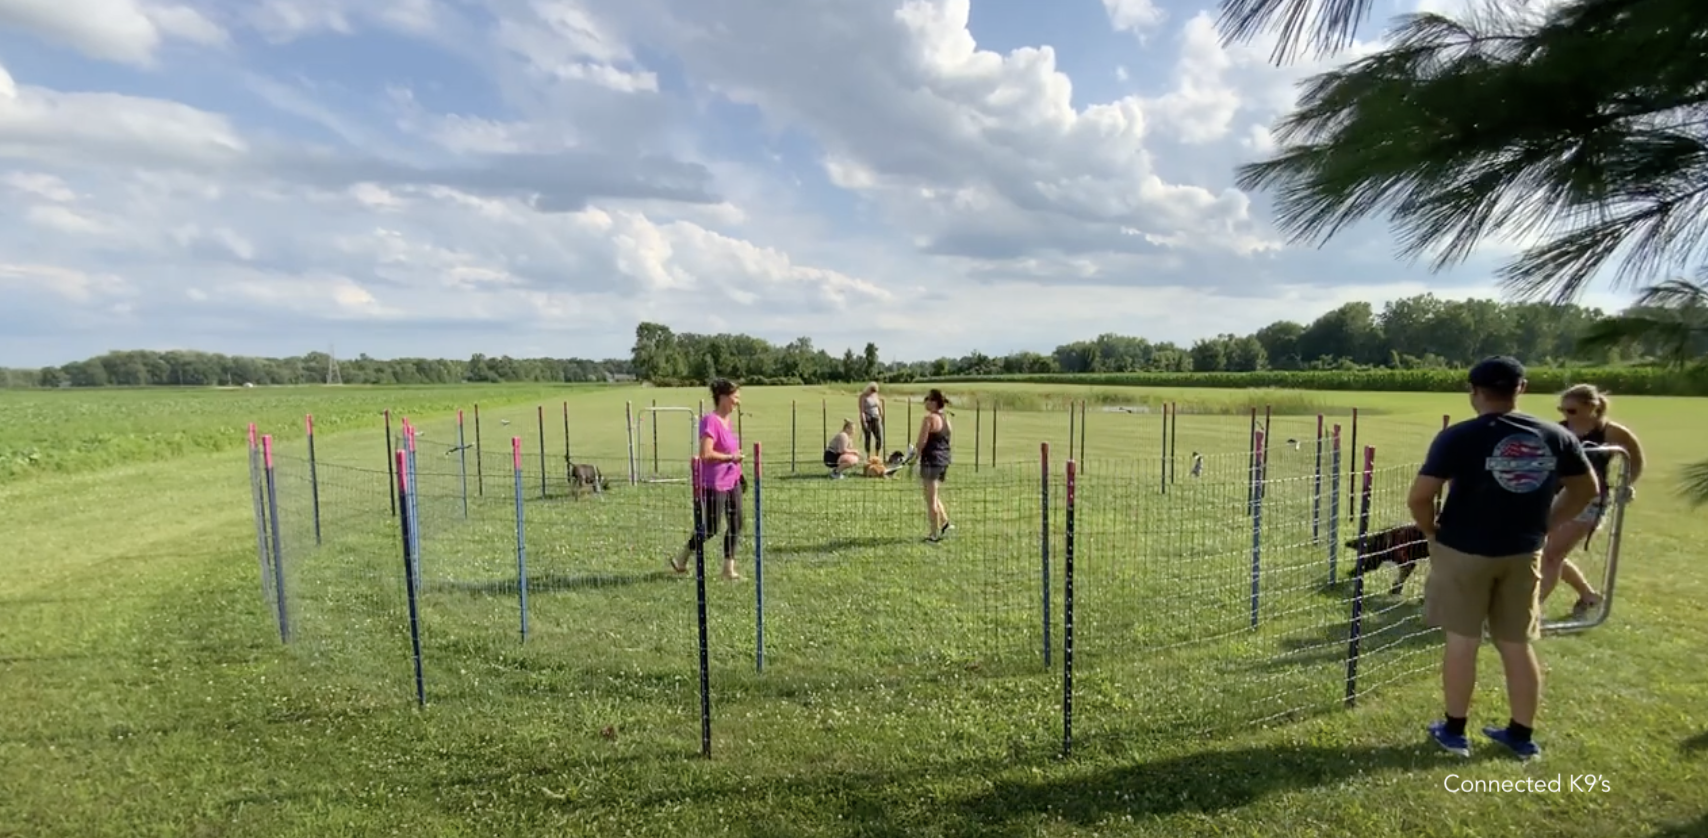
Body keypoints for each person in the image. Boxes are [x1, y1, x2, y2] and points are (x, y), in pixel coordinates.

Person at [1407, 356, 1598, 761]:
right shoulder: (1555, 436)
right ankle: (1521, 735)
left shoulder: (1457, 437)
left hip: (1463, 550)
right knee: (1517, 643)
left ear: (1474, 391)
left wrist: (1430, 530)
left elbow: (1421, 496)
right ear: (1521, 388)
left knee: (1463, 640)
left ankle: (1454, 732)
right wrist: (1546, 523)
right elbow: (1586, 490)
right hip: (1522, 552)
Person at [1540, 383, 1645, 618]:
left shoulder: (1611, 432)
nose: (1566, 415)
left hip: (1590, 500)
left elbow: (1635, 458)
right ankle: (1589, 596)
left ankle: (1529, 612)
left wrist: (1627, 483)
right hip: (1557, 499)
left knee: (1551, 555)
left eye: (1572, 410)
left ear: (1592, 408)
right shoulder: (1559, 431)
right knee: (1545, 552)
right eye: (1562, 410)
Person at [672, 378, 745, 581]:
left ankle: (728, 569)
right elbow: (706, 453)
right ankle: (682, 558)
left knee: (736, 523)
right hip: (715, 483)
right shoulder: (710, 421)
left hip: (732, 480)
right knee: (711, 527)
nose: (737, 402)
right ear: (723, 397)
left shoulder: (727, 421)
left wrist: (739, 471)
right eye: (735, 397)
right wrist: (731, 457)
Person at [914, 388, 954, 542]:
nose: (925, 402)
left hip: (931, 461)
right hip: (943, 460)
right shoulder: (946, 419)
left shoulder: (929, 419)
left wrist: (915, 458)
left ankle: (934, 533)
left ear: (934, 402)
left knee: (930, 499)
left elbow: (921, 442)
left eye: (928, 399)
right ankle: (945, 523)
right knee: (933, 494)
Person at [858, 383, 885, 456]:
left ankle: (877, 455)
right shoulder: (863, 396)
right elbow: (862, 410)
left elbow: (879, 406)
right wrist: (864, 420)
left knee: (879, 437)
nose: (873, 392)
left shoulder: (875, 395)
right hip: (867, 418)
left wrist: (881, 416)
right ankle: (868, 455)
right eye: (872, 390)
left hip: (876, 418)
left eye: (875, 391)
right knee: (868, 437)